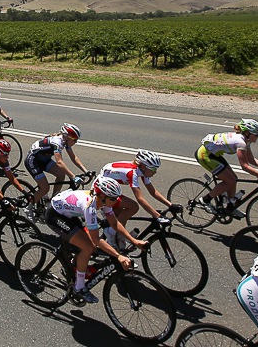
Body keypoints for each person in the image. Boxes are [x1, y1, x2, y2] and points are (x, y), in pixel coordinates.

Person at [43, 176, 137, 304]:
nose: (116, 201)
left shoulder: (104, 201)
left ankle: (75, 264)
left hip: (69, 212)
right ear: (102, 196)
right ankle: (79, 287)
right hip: (55, 215)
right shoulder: (90, 207)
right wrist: (119, 256)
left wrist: (134, 241)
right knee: (88, 247)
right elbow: (97, 239)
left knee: (89, 246)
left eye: (117, 198)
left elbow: (115, 224)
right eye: (113, 198)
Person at [194, 118, 258, 215]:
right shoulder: (240, 142)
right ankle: (205, 200)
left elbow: (252, 160)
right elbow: (245, 166)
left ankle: (231, 205)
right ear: (247, 133)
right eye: (256, 134)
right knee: (230, 180)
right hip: (205, 155)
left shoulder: (245, 141)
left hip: (214, 154)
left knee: (234, 179)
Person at [99, 149, 175, 249]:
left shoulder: (142, 171)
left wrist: (170, 205)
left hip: (109, 189)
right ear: (143, 167)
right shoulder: (132, 173)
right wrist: (157, 216)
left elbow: (153, 191)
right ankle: (112, 232)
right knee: (133, 206)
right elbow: (140, 199)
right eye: (153, 169)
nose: (155, 172)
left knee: (121, 216)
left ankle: (118, 238)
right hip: (101, 192)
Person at [24, 123, 91, 219]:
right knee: (45, 188)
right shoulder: (57, 142)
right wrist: (73, 177)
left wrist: (86, 171)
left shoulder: (65, 141)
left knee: (61, 174)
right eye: (75, 140)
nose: (76, 142)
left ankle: (52, 199)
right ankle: (28, 207)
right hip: (33, 161)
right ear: (68, 137)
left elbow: (73, 157)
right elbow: (59, 162)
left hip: (44, 160)